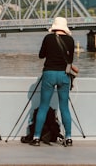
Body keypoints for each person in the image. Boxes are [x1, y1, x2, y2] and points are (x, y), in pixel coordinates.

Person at [29, 17, 75, 146]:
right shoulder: (70, 40)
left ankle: (37, 137)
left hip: (49, 73)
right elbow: (70, 60)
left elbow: (41, 55)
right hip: (63, 75)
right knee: (64, 107)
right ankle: (69, 137)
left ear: (54, 26)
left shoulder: (48, 38)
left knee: (43, 106)